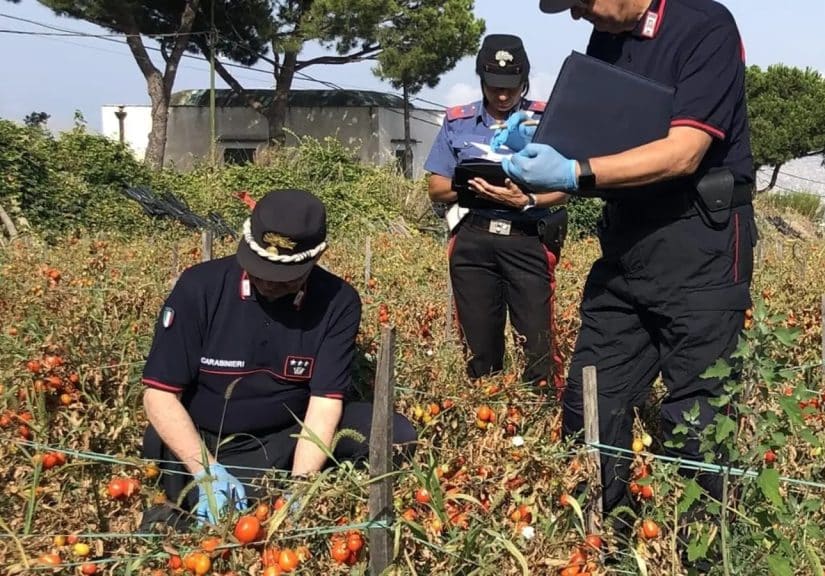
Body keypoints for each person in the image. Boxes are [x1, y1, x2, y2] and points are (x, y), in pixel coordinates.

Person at [499, 0, 756, 541]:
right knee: (591, 399)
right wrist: (546, 159)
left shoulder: (703, 26)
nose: (576, 16)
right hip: (627, 246)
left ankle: (704, 552)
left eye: (581, 1)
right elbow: (601, 149)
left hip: (700, 244)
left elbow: (684, 152)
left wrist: (573, 171)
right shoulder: (607, 39)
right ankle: (604, 540)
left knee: (698, 420)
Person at [138, 189, 417, 529]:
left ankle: (303, 491)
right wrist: (206, 471)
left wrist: (302, 488)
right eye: (259, 270)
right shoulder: (200, 287)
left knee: (393, 433)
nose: (269, 283)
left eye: (284, 278)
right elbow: (160, 395)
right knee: (227, 516)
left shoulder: (338, 302)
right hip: (210, 438)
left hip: (291, 434)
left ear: (317, 257)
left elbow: (325, 403)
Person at [424, 34, 570, 390]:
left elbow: (566, 187)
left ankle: (540, 412)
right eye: (494, 87)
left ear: (525, 80)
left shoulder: (546, 120)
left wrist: (526, 200)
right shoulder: (458, 122)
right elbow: (436, 186)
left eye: (511, 86)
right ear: (481, 79)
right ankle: (487, 411)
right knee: (479, 348)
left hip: (527, 240)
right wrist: (478, 187)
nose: (503, 95)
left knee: (537, 344)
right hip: (473, 240)